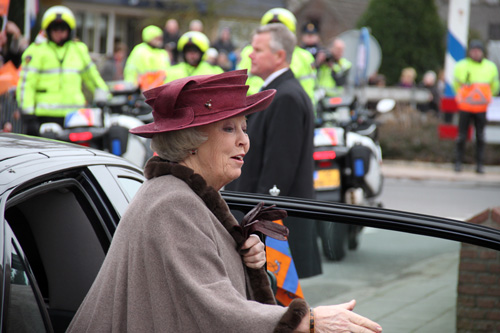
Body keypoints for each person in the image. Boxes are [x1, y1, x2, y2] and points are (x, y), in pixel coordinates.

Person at [67, 69, 383, 333]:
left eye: (244, 128)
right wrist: (309, 321)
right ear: (191, 141)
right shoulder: (172, 205)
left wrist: (247, 264)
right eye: (229, 128)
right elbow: (213, 311)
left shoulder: (187, 195)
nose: (244, 139)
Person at [226, 24, 322, 279]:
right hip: (271, 227)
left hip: (274, 231)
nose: (250, 54)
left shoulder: (286, 97)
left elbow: (277, 175)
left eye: (257, 49)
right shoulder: (280, 92)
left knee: (277, 310)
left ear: (280, 56)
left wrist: (254, 227)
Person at [16, 5, 109, 136]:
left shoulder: (79, 50)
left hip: (75, 118)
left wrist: (104, 100)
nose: (59, 33)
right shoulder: (36, 51)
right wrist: (28, 115)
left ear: (69, 30)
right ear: (48, 30)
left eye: (63, 29)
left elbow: (93, 78)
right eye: (55, 29)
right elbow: (27, 85)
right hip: (43, 118)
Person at [237, 7, 317, 103]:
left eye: (279, 30)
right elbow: (238, 86)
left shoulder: (304, 57)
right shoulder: (248, 52)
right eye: (270, 28)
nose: (252, 55)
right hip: (251, 110)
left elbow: (308, 92)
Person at [453, 39, 500, 174]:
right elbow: (456, 85)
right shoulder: (462, 65)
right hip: (465, 106)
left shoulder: (490, 66)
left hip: (481, 108)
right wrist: (461, 97)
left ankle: (479, 165)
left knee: (480, 137)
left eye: (477, 51)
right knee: (461, 136)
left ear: (482, 52)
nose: (475, 53)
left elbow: (495, 86)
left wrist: (488, 97)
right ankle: (458, 163)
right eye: (473, 51)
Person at [123, 25, 170, 91]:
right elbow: (131, 70)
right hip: (142, 90)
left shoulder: (162, 52)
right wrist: (132, 86)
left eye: (160, 38)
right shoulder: (139, 50)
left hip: (160, 90)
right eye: (156, 38)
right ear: (149, 38)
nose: (159, 41)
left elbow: (167, 71)